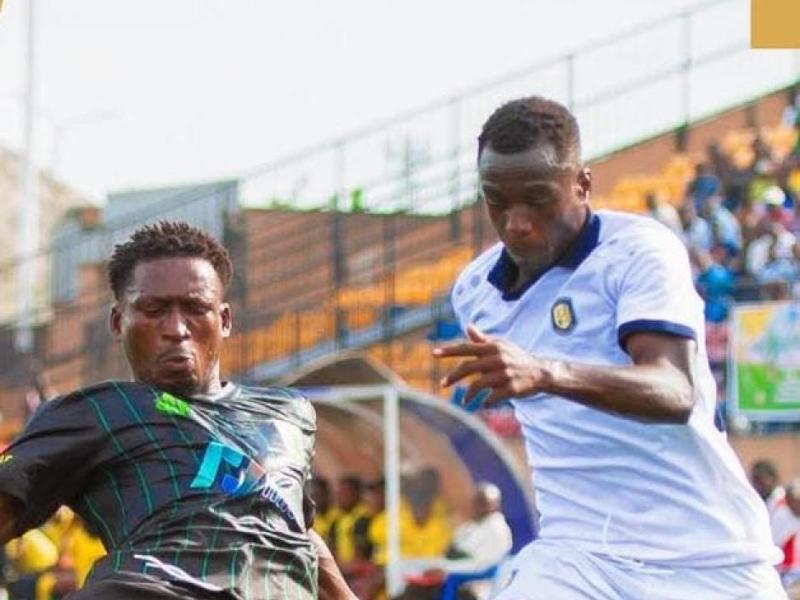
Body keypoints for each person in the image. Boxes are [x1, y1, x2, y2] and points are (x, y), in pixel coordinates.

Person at [434, 96, 785, 599]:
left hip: (705, 558)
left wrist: (546, 373)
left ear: (582, 184)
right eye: (497, 201)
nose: (516, 222)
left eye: (537, 199)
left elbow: (674, 390)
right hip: (578, 557)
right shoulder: (476, 292)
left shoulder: (637, 251)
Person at [0, 221, 356, 600]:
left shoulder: (289, 413)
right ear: (118, 323)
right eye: (154, 310)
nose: (176, 328)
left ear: (225, 320)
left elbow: (291, 528)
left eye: (195, 308)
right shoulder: (97, 410)